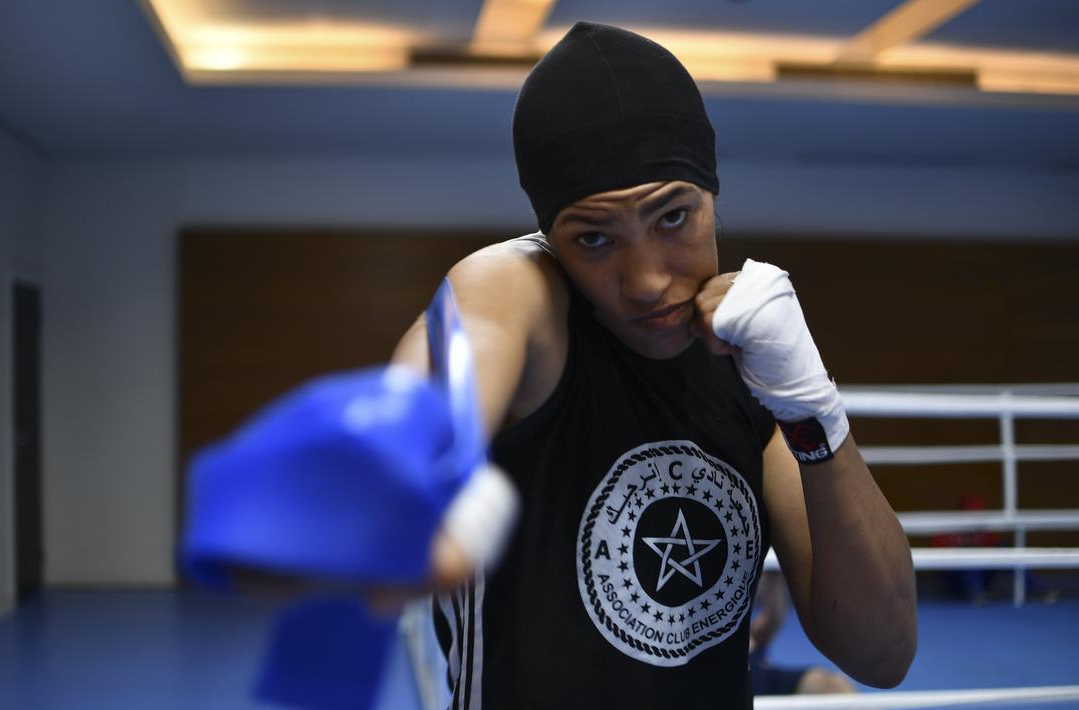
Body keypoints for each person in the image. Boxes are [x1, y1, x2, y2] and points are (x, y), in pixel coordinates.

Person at [388, 21, 917, 710]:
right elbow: (466, 336)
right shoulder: (524, 294)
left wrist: (811, 407)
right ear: (549, 239)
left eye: (672, 219)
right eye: (594, 238)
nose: (642, 281)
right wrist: (393, 446)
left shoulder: (750, 371)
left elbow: (881, 651)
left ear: (712, 196)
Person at [746, 572, 859, 702]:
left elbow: (774, 617)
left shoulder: (749, 633)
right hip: (738, 692)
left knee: (831, 683)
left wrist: (775, 578)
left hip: (765, 681)